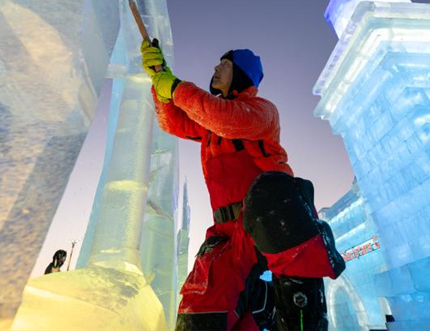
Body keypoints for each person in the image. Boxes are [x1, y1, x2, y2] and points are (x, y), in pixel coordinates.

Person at [141, 41, 346, 331]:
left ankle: (296, 308)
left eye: (223, 65)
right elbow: (175, 121)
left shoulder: (260, 112)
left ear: (241, 74)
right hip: (226, 235)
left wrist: (174, 87)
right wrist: (158, 76)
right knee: (200, 306)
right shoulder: (210, 122)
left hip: (272, 230)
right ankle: (257, 302)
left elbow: (222, 117)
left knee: (277, 193)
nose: (215, 68)